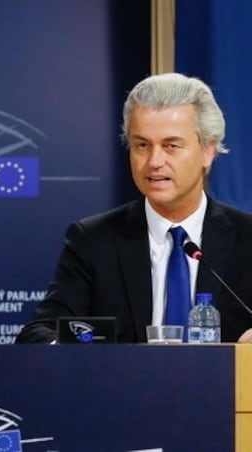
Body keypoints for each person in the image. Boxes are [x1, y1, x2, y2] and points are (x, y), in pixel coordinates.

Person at [17, 73, 252, 344]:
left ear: (207, 151)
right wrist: (80, 350)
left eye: (171, 146)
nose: (154, 161)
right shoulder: (93, 240)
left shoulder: (247, 239)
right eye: (142, 145)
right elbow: (39, 334)